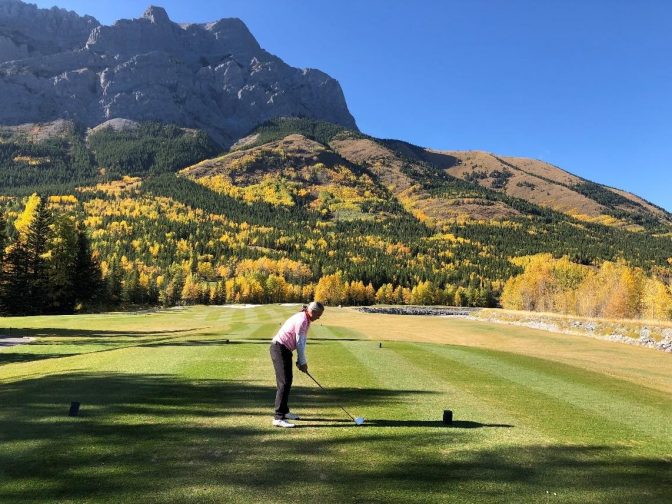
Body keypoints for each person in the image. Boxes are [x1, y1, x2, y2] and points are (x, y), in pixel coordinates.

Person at [270, 301, 324, 428]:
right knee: (284, 382)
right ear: (313, 311)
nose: (319, 317)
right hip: (279, 349)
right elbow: (299, 344)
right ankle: (278, 417)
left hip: (285, 350)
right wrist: (303, 362)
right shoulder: (302, 320)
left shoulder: (305, 318)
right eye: (318, 315)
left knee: (287, 381)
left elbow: (302, 342)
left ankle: (284, 411)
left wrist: (301, 361)